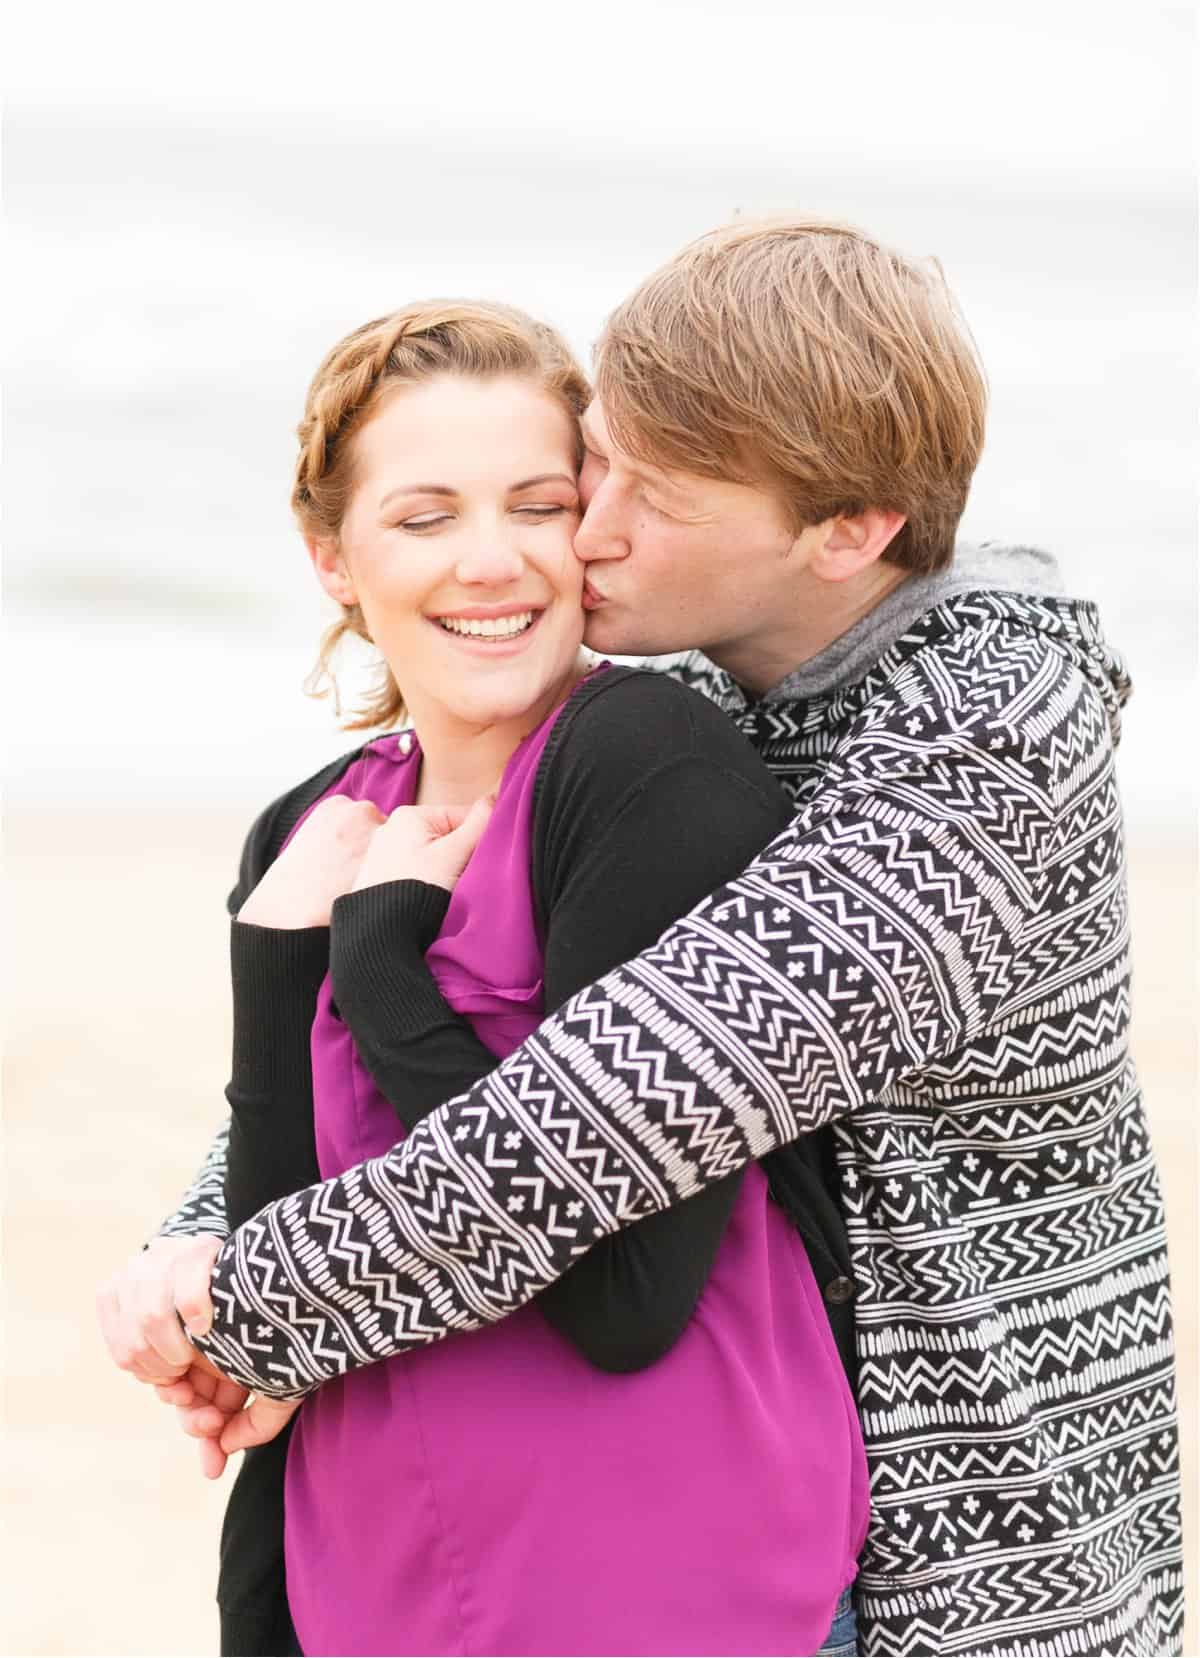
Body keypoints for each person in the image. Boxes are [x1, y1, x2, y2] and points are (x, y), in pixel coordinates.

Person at [101, 221, 1183, 1657]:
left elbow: (605, 1109)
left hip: (989, 1499)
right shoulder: (699, 674)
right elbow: (428, 1044)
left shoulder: (988, 731)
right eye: (596, 456)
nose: (585, 527)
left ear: (846, 530)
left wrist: (240, 1310)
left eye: (647, 495)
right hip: (752, 1472)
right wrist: (196, 1236)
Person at [100, 298, 867, 1657]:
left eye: (536, 502)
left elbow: (626, 1295)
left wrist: (381, 954)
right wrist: (280, 953)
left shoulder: (644, 768)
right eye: (425, 515)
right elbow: (294, 1303)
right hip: (377, 1589)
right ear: (332, 555)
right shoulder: (314, 824)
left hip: (670, 1588)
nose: (492, 561)